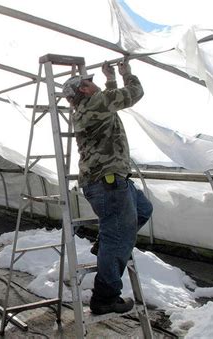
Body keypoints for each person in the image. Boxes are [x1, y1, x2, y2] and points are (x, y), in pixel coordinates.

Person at [62, 58, 153, 315]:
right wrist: (127, 74)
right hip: (108, 182)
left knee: (144, 210)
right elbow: (134, 93)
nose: (94, 84)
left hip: (111, 180)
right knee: (119, 239)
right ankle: (105, 297)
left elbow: (110, 99)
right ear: (83, 90)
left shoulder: (92, 106)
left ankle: (105, 244)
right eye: (89, 83)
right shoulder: (95, 103)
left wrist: (109, 80)